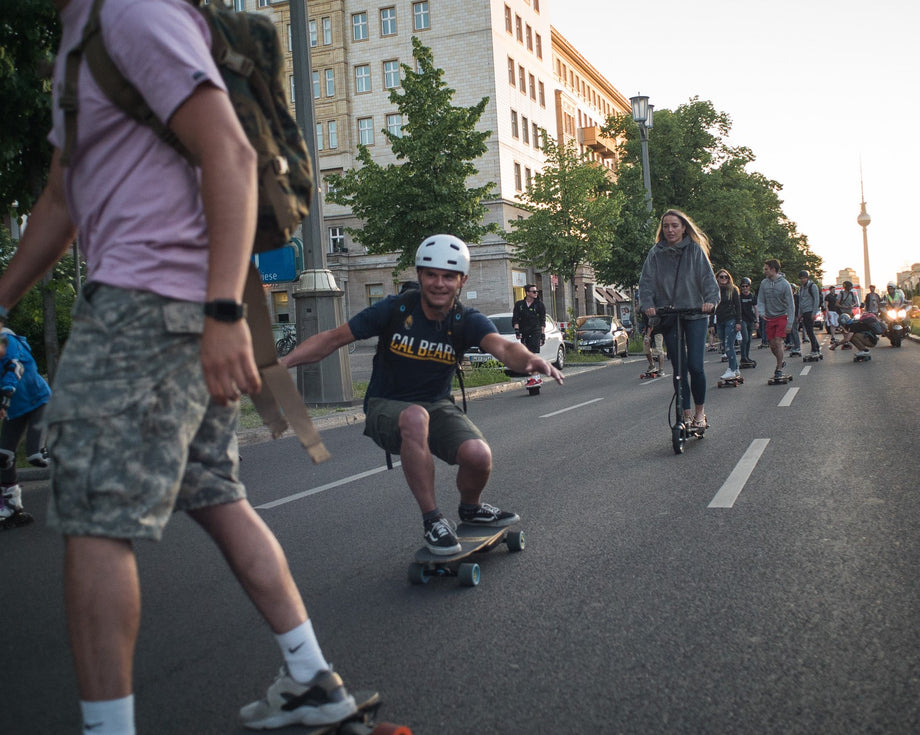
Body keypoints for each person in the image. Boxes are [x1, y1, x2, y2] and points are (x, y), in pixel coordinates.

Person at [1, 1, 359, 731]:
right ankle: (310, 676)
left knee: (95, 516)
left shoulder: (133, 12)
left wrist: (223, 311)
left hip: (147, 306)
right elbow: (62, 197)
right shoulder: (83, 34)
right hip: (173, 309)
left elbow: (226, 152)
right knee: (215, 492)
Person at [283, 235, 564, 556]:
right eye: (431, 274)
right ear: (419, 275)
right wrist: (283, 363)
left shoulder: (464, 319)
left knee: (478, 456)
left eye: (449, 276)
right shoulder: (395, 309)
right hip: (387, 406)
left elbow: (502, 347)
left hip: (438, 406)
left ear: (462, 280)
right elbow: (332, 339)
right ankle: (433, 521)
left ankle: (470, 508)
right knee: (415, 417)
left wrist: (530, 359)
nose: (439, 283)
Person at [638, 210, 719, 429]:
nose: (670, 230)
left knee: (695, 365)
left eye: (675, 225)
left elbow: (708, 280)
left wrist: (710, 301)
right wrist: (648, 306)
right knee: (679, 368)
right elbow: (646, 283)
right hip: (669, 314)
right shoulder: (656, 253)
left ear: (684, 228)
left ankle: (700, 413)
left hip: (695, 313)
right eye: (666, 226)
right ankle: (685, 413)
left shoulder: (694, 251)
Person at [0, 328, 53, 529]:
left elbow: (15, 368)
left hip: (39, 403)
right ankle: (13, 507)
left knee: (36, 457)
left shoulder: (7, 340)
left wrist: (4, 400)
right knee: (4, 456)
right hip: (15, 411)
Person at [756, 259, 796, 381]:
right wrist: (761, 313)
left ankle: (779, 369)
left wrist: (790, 323)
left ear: (773, 269)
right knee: (772, 345)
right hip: (769, 318)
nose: (764, 271)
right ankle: (781, 360)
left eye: (766, 269)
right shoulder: (764, 283)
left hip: (781, 316)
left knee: (778, 342)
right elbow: (761, 300)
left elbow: (790, 304)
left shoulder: (785, 284)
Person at [512, 283, 546, 387]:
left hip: (535, 331)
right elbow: (515, 319)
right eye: (534, 291)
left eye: (536, 291)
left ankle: (535, 378)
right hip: (524, 332)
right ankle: (535, 377)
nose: (536, 293)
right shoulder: (519, 305)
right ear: (527, 293)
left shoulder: (539, 305)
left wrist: (542, 335)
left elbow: (542, 321)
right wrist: (517, 331)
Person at [713, 269, 743, 383]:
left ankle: (731, 369)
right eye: (721, 277)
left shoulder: (733, 290)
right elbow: (712, 308)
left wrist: (738, 322)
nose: (724, 279)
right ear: (717, 278)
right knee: (724, 344)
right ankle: (735, 368)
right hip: (720, 320)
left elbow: (738, 306)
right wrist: (711, 324)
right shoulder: (714, 291)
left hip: (731, 319)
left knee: (728, 344)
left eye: (726, 277)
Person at [795, 271, 822, 359]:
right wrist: (799, 313)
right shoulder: (802, 288)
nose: (802, 280)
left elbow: (816, 300)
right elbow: (801, 302)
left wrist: (814, 313)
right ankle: (816, 348)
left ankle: (814, 349)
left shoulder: (812, 286)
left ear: (807, 278)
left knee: (810, 331)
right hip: (804, 312)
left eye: (803, 278)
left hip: (810, 311)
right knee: (809, 331)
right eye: (801, 278)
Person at [737, 277, 757, 368]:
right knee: (745, 338)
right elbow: (737, 309)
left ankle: (747, 356)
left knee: (749, 339)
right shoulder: (739, 296)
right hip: (742, 319)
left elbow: (756, 308)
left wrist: (757, 321)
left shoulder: (752, 296)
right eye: (743, 286)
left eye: (746, 286)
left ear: (749, 287)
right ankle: (743, 357)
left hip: (750, 319)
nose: (745, 288)